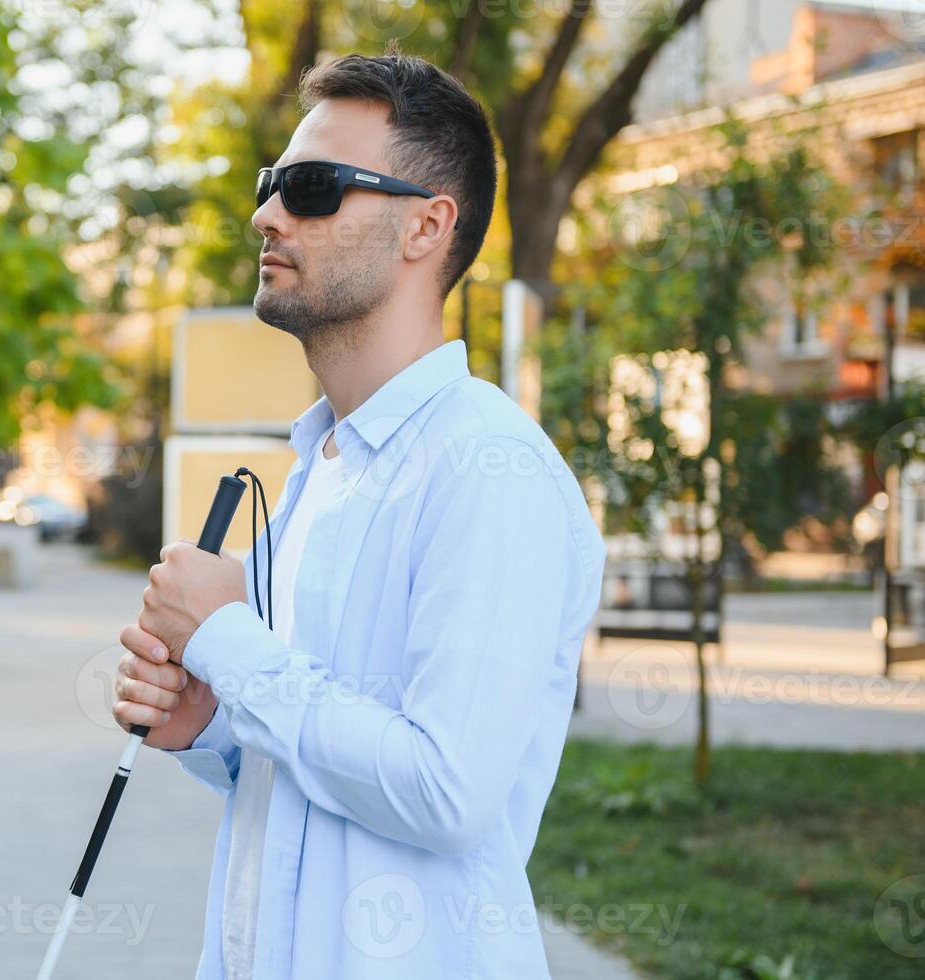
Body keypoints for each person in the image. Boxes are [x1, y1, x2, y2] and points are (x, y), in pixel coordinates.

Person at [112, 54, 605, 979]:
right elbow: (298, 764)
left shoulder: (484, 467)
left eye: (310, 188)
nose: (266, 214)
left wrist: (225, 637)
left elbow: (444, 791)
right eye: (271, 186)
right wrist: (207, 719)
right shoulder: (317, 468)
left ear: (426, 225)